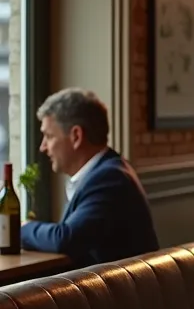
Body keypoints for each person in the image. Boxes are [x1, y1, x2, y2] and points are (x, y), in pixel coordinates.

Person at [21, 88, 158, 268]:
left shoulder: (110, 178)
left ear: (76, 136)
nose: (43, 147)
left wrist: (23, 228)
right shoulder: (104, 172)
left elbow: (67, 239)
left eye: (49, 136)